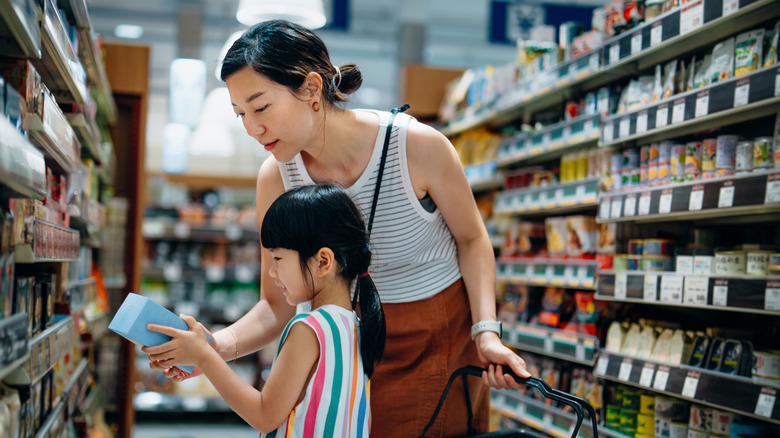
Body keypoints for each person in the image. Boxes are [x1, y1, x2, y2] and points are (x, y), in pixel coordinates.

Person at [149, 19, 531, 437]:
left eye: (260, 107)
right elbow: (275, 302)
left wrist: (487, 332)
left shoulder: (418, 147)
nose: (251, 128)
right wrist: (215, 345)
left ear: (312, 89)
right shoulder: (276, 177)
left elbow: (473, 240)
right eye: (240, 113)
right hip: (347, 342)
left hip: (435, 334)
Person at [144, 184, 384, 437]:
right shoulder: (355, 324)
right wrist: (208, 354)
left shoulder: (309, 329)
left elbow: (264, 415)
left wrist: (205, 356)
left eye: (278, 259)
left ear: (322, 261)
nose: (271, 272)